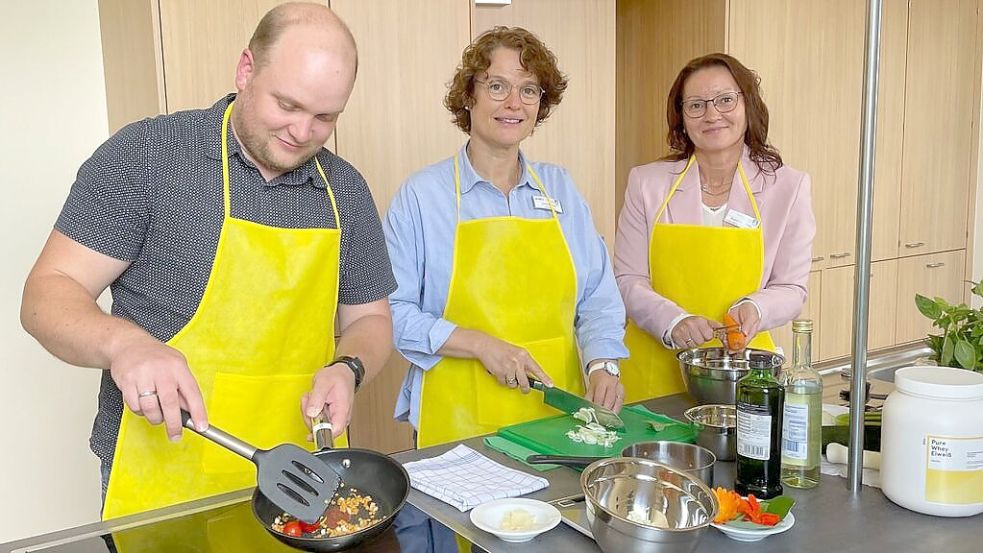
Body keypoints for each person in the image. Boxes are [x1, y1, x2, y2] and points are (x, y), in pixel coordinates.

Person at [19, 2, 396, 520]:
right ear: (246, 70)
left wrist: (348, 368)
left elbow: (371, 319)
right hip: (161, 477)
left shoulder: (344, 191)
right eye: (287, 104)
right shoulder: (146, 157)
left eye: (325, 117)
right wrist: (123, 343)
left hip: (299, 480)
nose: (302, 132)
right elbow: (46, 293)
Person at [384, 26, 628, 551]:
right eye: (497, 86)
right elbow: (391, 312)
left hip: (552, 424)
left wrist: (604, 362)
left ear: (542, 105)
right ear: (468, 95)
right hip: (458, 426)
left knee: (546, 541)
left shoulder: (561, 189)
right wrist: (479, 343)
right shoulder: (422, 197)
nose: (513, 102)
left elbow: (598, 297)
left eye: (530, 89)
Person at [613, 53, 815, 402]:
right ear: (682, 117)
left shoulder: (788, 187)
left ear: (747, 104)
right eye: (696, 105)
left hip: (742, 370)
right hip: (652, 374)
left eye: (725, 100)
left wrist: (755, 308)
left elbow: (791, 287)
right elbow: (627, 280)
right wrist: (673, 321)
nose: (711, 114)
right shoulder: (647, 183)